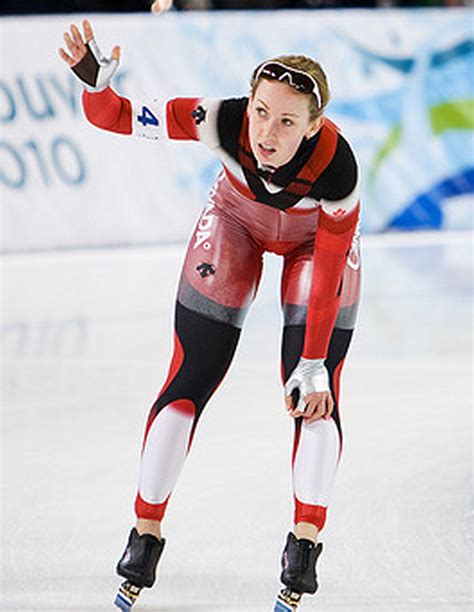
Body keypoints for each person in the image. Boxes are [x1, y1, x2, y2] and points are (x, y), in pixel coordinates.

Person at [59, 20, 361, 608]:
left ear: (315, 126)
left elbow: (326, 269)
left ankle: (303, 547)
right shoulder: (218, 118)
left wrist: (315, 360)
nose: (267, 132)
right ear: (247, 102)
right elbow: (113, 116)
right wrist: (96, 86)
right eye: (261, 111)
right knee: (189, 377)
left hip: (312, 246)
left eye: (287, 121)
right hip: (235, 221)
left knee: (313, 391)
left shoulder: (337, 169)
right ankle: (143, 535)